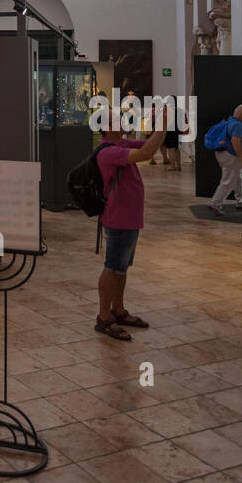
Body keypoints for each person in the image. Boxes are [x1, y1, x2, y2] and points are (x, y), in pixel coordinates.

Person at [94, 112, 167, 341]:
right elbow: (146, 153)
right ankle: (104, 316)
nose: (123, 122)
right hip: (119, 218)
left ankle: (119, 310)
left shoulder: (121, 143)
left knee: (121, 267)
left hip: (129, 218)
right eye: (117, 120)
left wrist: (158, 129)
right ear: (106, 127)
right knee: (112, 266)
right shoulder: (109, 152)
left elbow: (149, 147)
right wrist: (164, 126)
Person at [209, 104, 242, 217]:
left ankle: (241, 201)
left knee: (238, 177)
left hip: (223, 154)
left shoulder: (229, 122)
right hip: (231, 155)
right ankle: (215, 204)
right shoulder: (238, 125)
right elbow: (236, 142)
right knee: (228, 181)